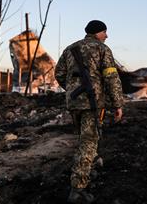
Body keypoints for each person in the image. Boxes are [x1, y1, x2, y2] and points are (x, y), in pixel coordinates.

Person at [55, 20, 124, 203]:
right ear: (97, 33)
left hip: (74, 104)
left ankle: (91, 165)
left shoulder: (70, 49)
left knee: (85, 139)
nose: (107, 36)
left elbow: (59, 74)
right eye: (104, 32)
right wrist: (118, 104)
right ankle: (78, 188)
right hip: (92, 105)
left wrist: (71, 89)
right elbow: (111, 77)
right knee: (88, 142)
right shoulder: (102, 49)